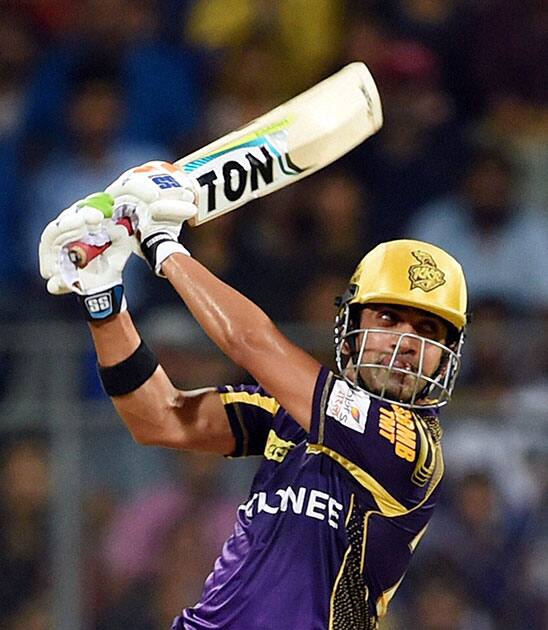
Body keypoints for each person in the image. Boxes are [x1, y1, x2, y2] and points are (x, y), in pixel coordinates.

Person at [38, 161, 468, 629]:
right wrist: (104, 300)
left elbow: (251, 343)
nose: (407, 342)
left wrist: (163, 247)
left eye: (429, 331)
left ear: (445, 358)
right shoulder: (287, 413)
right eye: (388, 320)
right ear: (349, 331)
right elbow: (158, 418)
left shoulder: (413, 450)